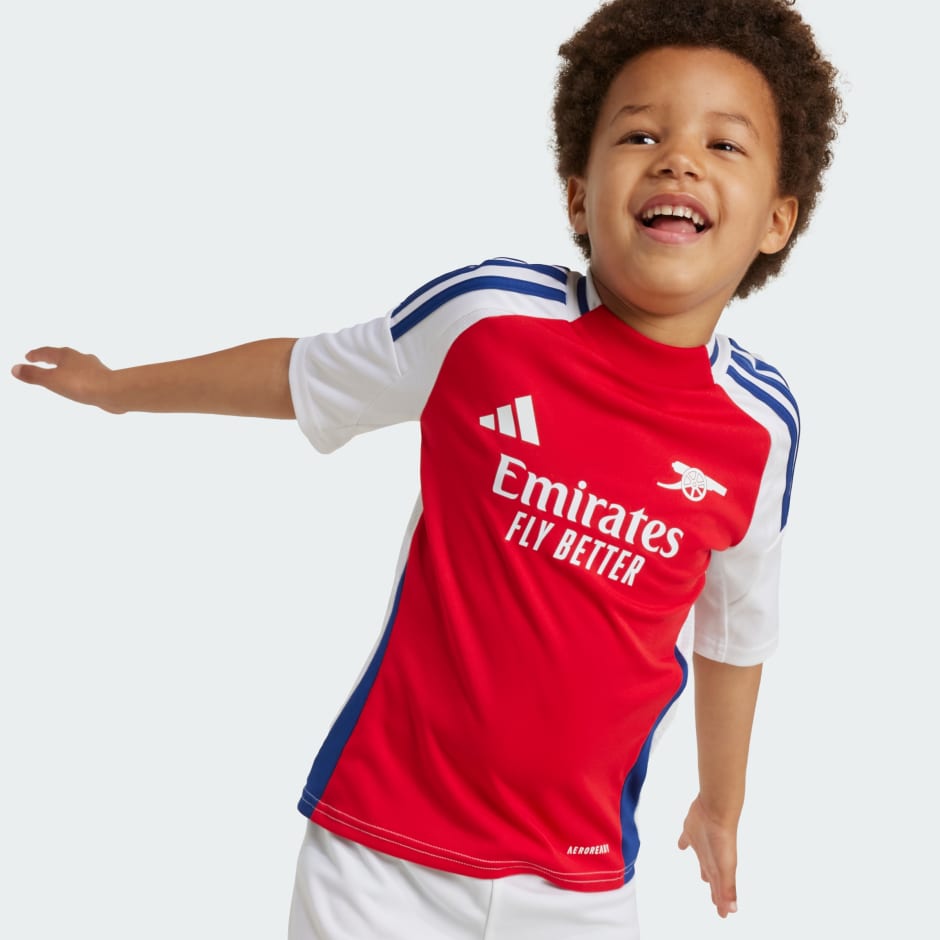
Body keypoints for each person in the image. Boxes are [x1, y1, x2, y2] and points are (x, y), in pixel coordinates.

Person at [11, 0, 842, 936]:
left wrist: (721, 807)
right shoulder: (489, 321)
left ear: (777, 219)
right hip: (379, 855)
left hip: (578, 884)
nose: (678, 160)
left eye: (723, 145)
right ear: (578, 196)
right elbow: (304, 374)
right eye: (641, 134)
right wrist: (119, 388)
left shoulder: (759, 428)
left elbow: (734, 631)